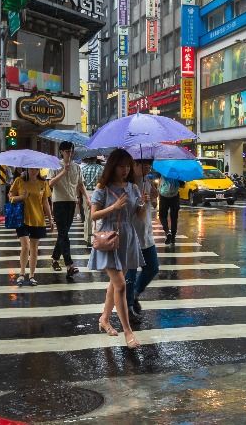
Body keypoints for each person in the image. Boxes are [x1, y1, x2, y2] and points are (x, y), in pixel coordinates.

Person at [88, 149, 145, 348]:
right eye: (121, 166)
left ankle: (104, 319)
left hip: (127, 238)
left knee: (115, 284)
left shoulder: (133, 188)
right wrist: (114, 207)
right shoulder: (102, 188)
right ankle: (128, 332)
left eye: (128, 166)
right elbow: (93, 216)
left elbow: (140, 216)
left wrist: (146, 202)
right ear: (113, 166)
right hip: (109, 238)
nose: (125, 169)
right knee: (120, 284)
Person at [127, 159, 160, 321]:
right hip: (132, 233)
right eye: (143, 165)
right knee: (130, 273)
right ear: (134, 165)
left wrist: (154, 197)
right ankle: (128, 307)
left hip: (146, 232)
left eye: (149, 165)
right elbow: (127, 209)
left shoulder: (147, 181)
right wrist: (141, 201)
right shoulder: (128, 184)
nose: (147, 167)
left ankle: (135, 293)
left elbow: (153, 206)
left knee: (153, 267)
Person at [9, 168, 53, 286]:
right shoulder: (19, 181)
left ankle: (32, 275)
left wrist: (50, 219)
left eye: (37, 168)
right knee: (25, 246)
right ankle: (22, 273)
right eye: (32, 168)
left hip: (38, 219)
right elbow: (11, 197)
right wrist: (21, 197)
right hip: (21, 218)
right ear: (27, 169)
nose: (34, 170)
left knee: (34, 248)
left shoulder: (43, 183)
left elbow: (45, 202)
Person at [49, 142, 86, 280]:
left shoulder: (76, 167)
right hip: (58, 203)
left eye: (71, 151)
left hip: (72, 202)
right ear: (61, 152)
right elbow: (50, 184)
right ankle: (69, 265)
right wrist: (64, 171)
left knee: (63, 234)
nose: (69, 154)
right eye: (66, 151)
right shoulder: (55, 165)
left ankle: (54, 258)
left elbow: (80, 184)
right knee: (64, 234)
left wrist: (87, 199)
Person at [157, 170, 181, 246]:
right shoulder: (177, 171)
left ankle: (167, 232)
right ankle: (173, 236)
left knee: (162, 216)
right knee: (174, 217)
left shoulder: (163, 169)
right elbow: (182, 184)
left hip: (164, 195)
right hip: (175, 196)